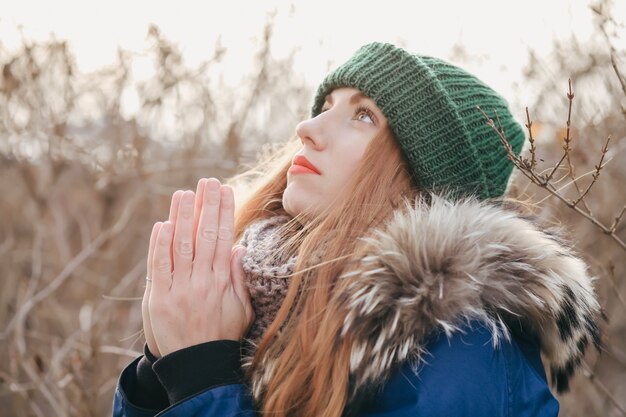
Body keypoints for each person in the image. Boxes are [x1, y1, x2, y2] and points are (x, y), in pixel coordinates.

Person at [112, 42, 603, 417]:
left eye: (363, 115)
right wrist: (161, 376)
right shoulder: (267, 298)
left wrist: (202, 377)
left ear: (418, 183)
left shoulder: (461, 355)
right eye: (327, 104)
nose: (309, 128)